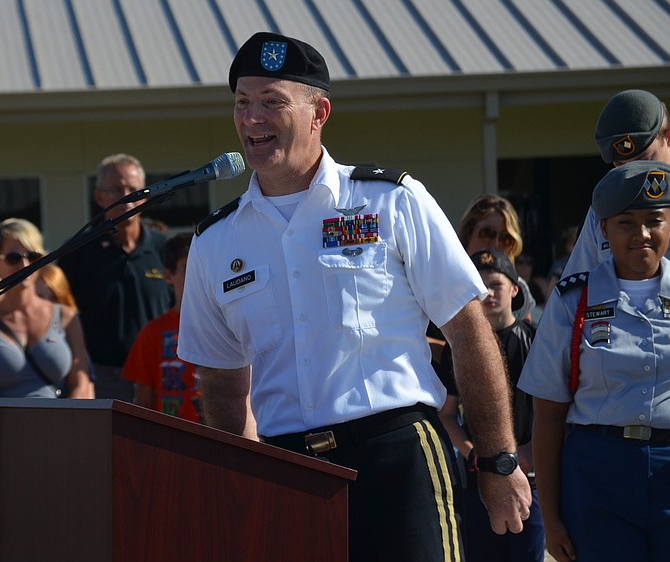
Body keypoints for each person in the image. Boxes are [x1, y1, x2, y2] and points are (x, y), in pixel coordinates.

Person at [177, 32, 531, 562]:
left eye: (272, 102)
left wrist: (499, 459)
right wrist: (246, 482)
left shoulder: (392, 201)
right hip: (286, 468)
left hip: (397, 455)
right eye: (242, 103)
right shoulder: (215, 241)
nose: (252, 119)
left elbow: (467, 329)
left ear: (319, 112)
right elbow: (222, 380)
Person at [519, 161, 670, 562]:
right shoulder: (574, 301)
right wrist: (550, 518)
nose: (641, 234)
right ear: (602, 229)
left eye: (654, 220)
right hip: (599, 473)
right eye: (625, 222)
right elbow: (548, 413)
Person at [438, 248, 544, 562]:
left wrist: (529, 451)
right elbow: (446, 415)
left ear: (515, 288)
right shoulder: (458, 348)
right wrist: (475, 452)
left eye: (495, 284)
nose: (487, 294)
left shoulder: (535, 341)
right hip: (477, 481)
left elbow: (550, 411)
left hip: (531, 479)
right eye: (479, 286)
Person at [59, 154, 172, 401]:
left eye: (135, 189)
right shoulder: (76, 252)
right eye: (117, 190)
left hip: (161, 376)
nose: (128, 197)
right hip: (102, 378)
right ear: (99, 197)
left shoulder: (165, 249)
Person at [0, 218, 94, 402]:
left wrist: (64, 427)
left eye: (33, 257)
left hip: (61, 426)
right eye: (14, 258)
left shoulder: (66, 316)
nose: (25, 265)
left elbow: (81, 384)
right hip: (4, 429)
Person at [562, 89, 670, 277]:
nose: (633, 176)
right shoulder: (605, 207)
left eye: (644, 162)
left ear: (668, 137)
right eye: (622, 167)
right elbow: (576, 290)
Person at [122, 232, 202, 423]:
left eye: (201, 268)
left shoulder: (227, 326)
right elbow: (143, 402)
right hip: (170, 440)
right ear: (167, 275)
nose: (196, 276)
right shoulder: (151, 333)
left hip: (218, 437)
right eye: (186, 269)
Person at [457, 194, 536, 322]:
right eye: (487, 233)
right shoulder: (445, 280)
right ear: (468, 233)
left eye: (505, 238)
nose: (495, 244)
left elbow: (525, 338)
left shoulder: (519, 289)